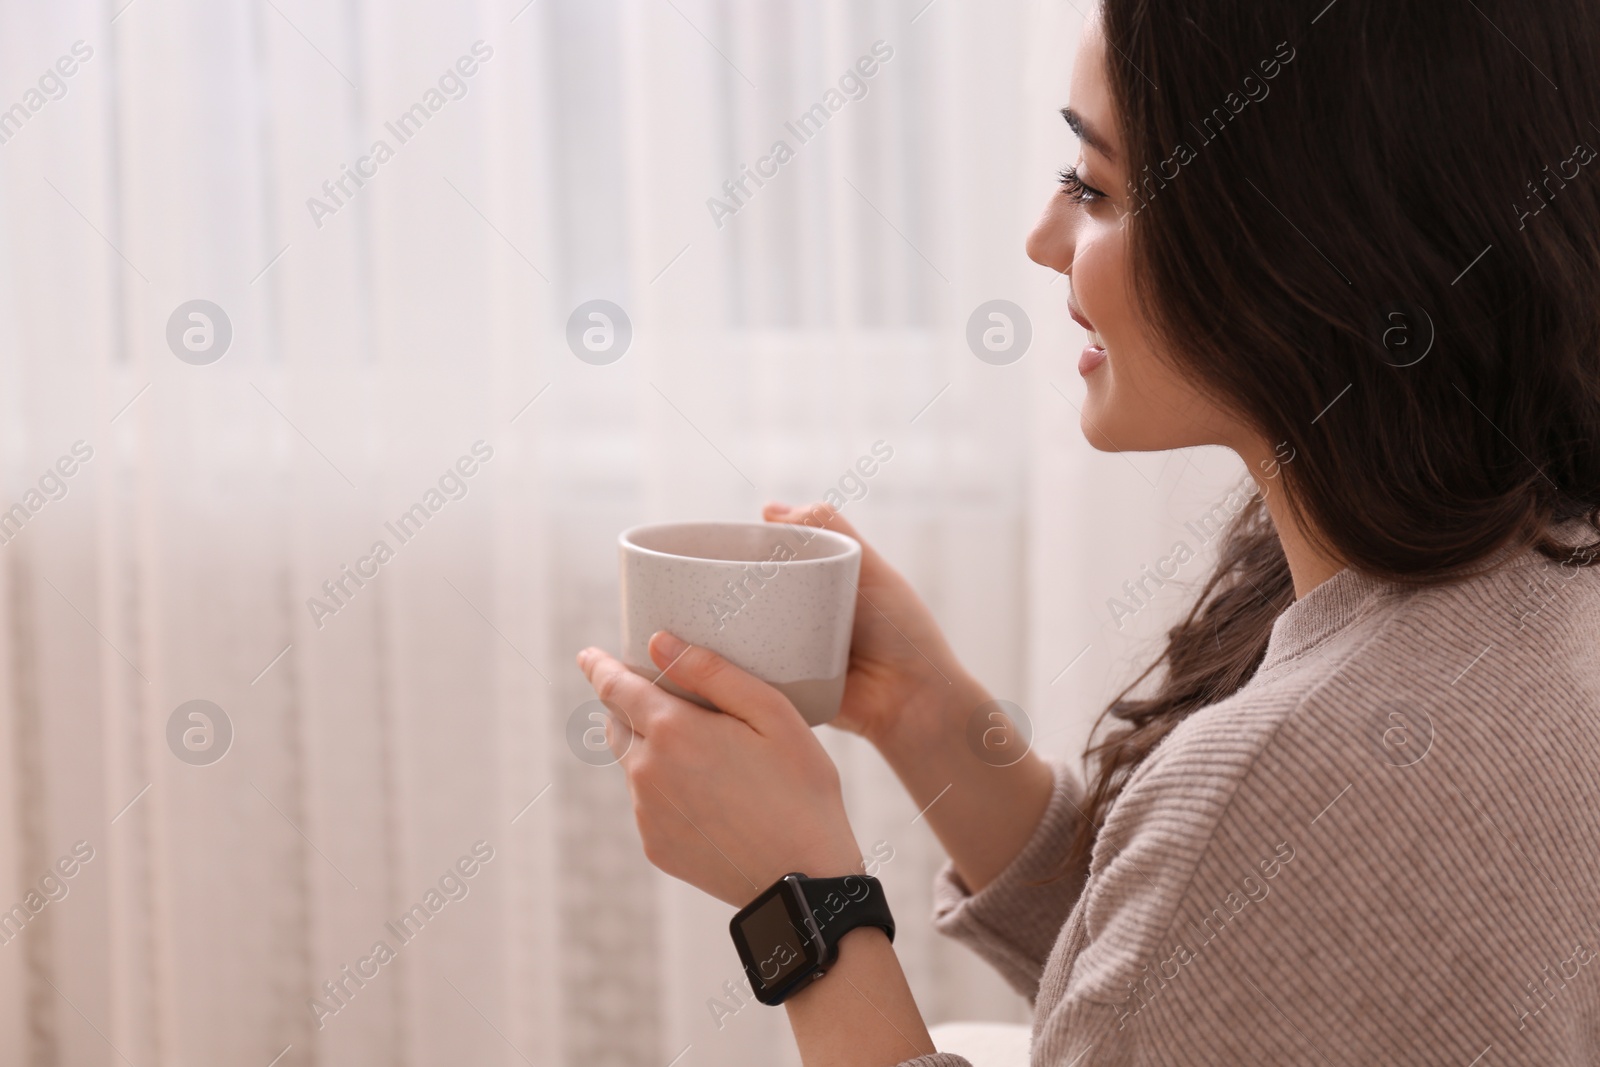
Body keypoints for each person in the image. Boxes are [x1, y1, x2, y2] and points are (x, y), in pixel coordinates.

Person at [576, 1, 1600, 1063]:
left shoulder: (1308, 771)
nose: (1042, 237)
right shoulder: (1528, 579)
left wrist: (801, 905)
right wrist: (929, 713)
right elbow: (1241, 983)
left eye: (1095, 188)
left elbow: (1250, 913)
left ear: (1314, 237)